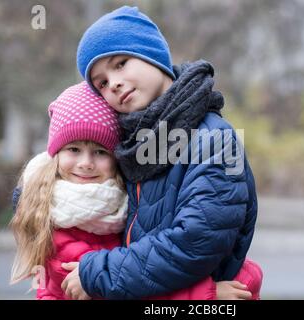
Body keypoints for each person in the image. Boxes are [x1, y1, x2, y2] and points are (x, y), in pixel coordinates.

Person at [61, 6, 262, 300]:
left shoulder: (217, 140)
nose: (114, 83)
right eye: (101, 82)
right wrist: (32, 194)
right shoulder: (131, 146)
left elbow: (197, 242)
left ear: (152, 55)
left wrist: (98, 272)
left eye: (120, 63)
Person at [10, 81, 259, 300]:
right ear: (55, 155)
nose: (86, 162)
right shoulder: (54, 218)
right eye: (73, 150)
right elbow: (119, 291)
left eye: (100, 152)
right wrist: (209, 295)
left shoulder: (118, 202)